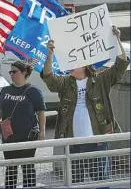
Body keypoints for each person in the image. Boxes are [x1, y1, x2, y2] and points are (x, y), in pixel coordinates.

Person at [40, 26, 130, 188]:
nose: (71, 64)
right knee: (77, 185)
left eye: (75, 61)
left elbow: (121, 64)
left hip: (98, 142)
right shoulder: (66, 82)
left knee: (102, 184)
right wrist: (50, 54)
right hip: (74, 144)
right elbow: (48, 77)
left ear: (85, 65)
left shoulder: (100, 80)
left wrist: (117, 39)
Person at [0, 60, 46, 188]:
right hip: (9, 137)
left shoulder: (34, 91)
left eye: (14, 72)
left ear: (24, 72)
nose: (11, 74)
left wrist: (42, 132)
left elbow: (41, 112)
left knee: (28, 168)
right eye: (10, 72)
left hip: (27, 137)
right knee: (10, 169)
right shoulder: (5, 90)